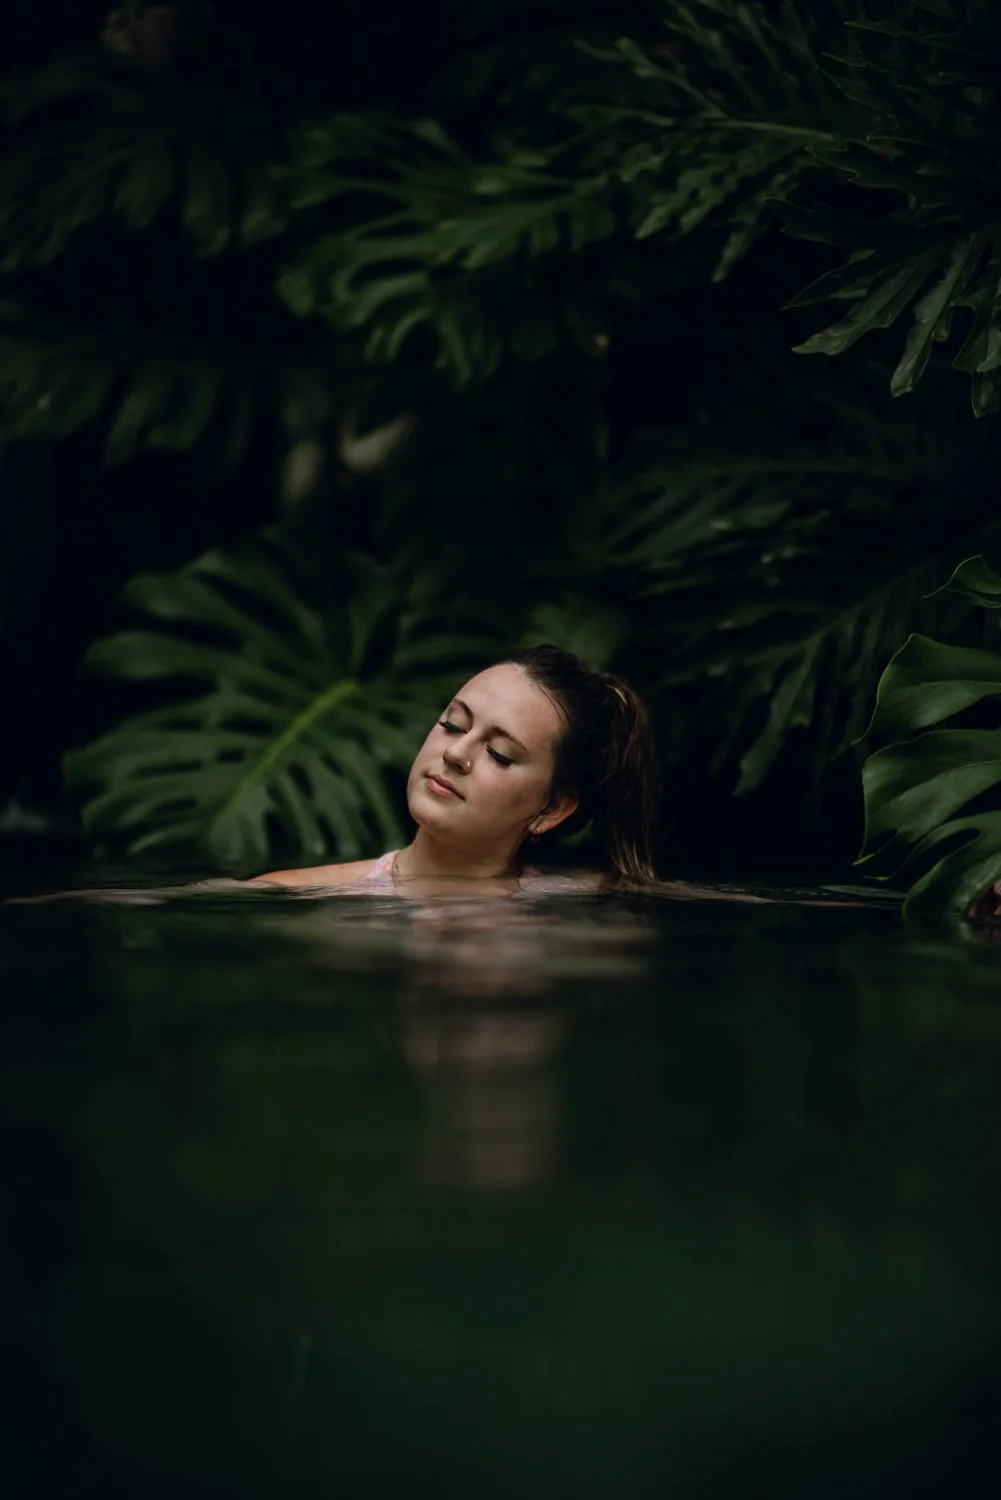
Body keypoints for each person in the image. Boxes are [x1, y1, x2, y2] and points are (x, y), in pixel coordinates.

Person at [251, 643, 660, 895]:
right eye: (453, 724)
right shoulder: (287, 895)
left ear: (553, 808)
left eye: (499, 753)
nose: (456, 752)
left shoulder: (591, 902)